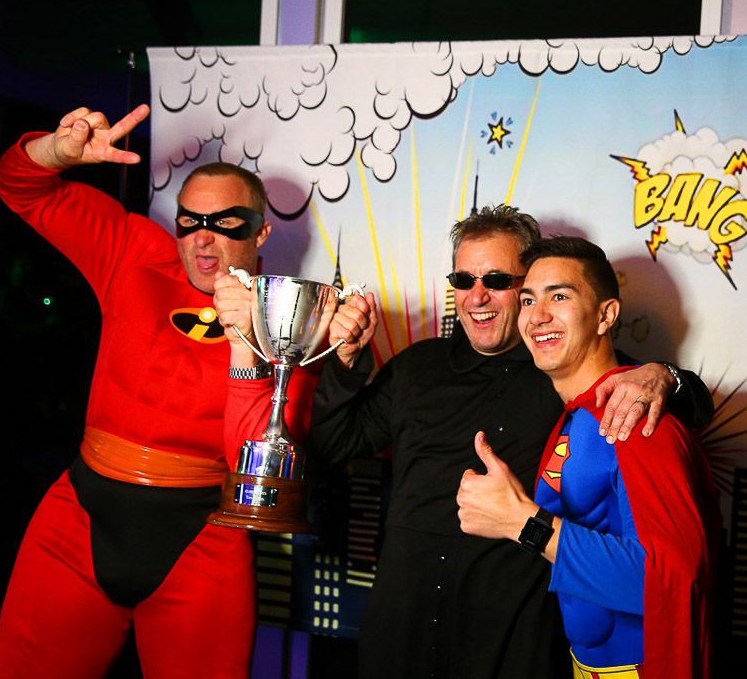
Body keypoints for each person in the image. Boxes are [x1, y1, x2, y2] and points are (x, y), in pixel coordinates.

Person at [233, 205, 711, 677]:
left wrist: (663, 376)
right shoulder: (418, 367)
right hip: (401, 629)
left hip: (511, 638)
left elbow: (655, 407)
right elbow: (333, 447)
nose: (477, 297)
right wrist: (346, 364)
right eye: (463, 281)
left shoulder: (561, 364)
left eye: (499, 282)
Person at [0, 104, 315, 678]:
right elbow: (18, 185)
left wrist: (258, 343)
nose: (203, 239)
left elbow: (270, 454)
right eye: (189, 221)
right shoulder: (135, 251)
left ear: (262, 230)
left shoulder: (287, 315)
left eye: (227, 223)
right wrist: (56, 153)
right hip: (81, 519)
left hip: (203, 541)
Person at [456, 235, 718, 678]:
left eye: (559, 296)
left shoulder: (632, 414)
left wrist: (522, 522)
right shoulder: (575, 413)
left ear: (605, 315)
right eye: (527, 300)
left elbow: (669, 579)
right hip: (584, 664)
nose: (537, 315)